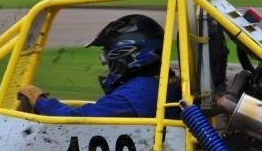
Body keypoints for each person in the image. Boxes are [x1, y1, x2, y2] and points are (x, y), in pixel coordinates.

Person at [17, 14, 181, 118]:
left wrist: (40, 102)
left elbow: (79, 118)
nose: (106, 64)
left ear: (126, 54)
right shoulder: (164, 84)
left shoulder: (137, 93)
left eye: (107, 57)